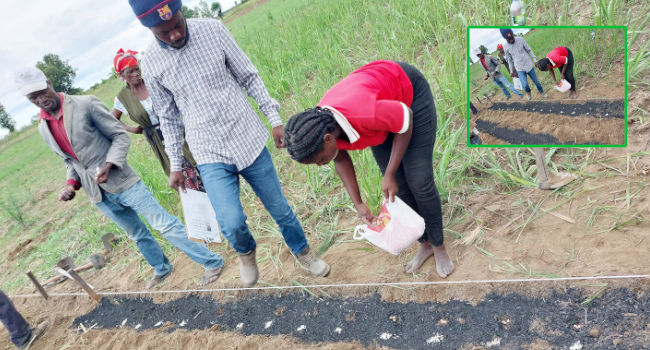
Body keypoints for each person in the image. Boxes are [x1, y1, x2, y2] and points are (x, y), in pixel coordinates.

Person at [128, 0, 330, 287]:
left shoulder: (213, 30)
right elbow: (169, 120)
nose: (174, 35)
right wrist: (175, 165)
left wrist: (273, 118)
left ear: (181, 11)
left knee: (279, 208)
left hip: (246, 134)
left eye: (177, 25)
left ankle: (304, 253)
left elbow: (249, 76)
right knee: (231, 222)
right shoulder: (151, 63)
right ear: (149, 29)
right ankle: (246, 254)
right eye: (164, 33)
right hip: (207, 149)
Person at [14, 66, 224, 289]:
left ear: (49, 83)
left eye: (41, 91)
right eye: (32, 97)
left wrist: (109, 164)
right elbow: (71, 161)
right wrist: (70, 184)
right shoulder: (43, 128)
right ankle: (162, 268)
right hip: (98, 194)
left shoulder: (85, 104)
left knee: (163, 224)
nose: (40, 99)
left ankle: (211, 262)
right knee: (136, 234)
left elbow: (119, 136)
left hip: (123, 181)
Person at [284, 60, 455, 278]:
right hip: (382, 113)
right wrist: (358, 203)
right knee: (398, 190)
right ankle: (426, 244)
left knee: (419, 180)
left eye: (320, 160)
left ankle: (439, 246)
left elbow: (405, 119)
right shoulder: (320, 129)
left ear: (328, 139)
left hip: (409, 97)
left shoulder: (364, 114)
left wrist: (390, 172)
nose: (320, 165)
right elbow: (339, 158)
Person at [111, 49, 203, 189]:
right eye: (130, 71)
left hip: (176, 128)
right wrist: (133, 129)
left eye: (137, 69)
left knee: (198, 160)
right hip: (158, 139)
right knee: (179, 171)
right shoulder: (122, 97)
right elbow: (112, 119)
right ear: (121, 75)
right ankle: (198, 202)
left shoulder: (151, 81)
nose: (136, 73)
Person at [500, 28, 546, 100]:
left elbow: (529, 50)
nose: (511, 40)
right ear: (505, 39)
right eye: (509, 39)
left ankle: (542, 92)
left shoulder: (520, 39)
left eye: (512, 37)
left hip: (528, 64)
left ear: (512, 34)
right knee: (524, 85)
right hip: (519, 68)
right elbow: (509, 60)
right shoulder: (505, 47)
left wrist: (534, 60)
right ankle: (529, 94)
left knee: (536, 82)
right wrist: (511, 71)